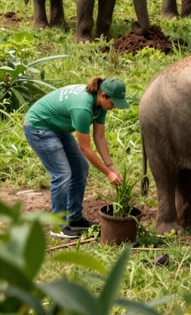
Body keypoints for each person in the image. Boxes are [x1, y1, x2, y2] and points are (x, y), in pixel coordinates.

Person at [24, 77, 128, 238]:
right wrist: (107, 174)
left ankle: (75, 219)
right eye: (113, 103)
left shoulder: (100, 106)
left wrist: (111, 166)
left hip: (58, 128)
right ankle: (57, 227)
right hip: (39, 127)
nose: (114, 107)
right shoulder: (83, 108)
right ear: (103, 95)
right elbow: (85, 148)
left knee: (81, 168)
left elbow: (99, 137)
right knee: (62, 174)